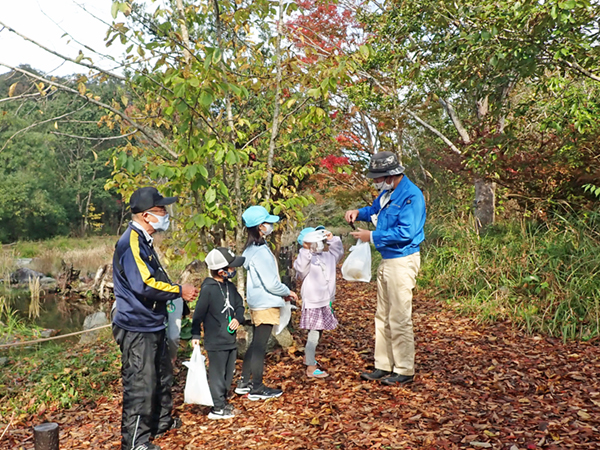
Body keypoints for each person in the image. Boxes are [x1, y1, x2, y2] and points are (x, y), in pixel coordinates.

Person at [112, 186, 199, 450]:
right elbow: (145, 284)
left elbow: (156, 278)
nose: (166, 215)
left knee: (161, 375)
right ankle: (136, 441)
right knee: (140, 382)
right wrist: (178, 290)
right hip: (137, 327)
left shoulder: (145, 241)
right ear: (146, 215)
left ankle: (160, 423)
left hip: (153, 322)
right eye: (161, 210)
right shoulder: (131, 243)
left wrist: (177, 301)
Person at [345, 152, 426, 386]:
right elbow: (374, 212)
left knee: (399, 317)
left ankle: (404, 369)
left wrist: (371, 236)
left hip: (402, 260)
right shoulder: (386, 193)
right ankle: (383, 365)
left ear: (391, 175)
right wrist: (358, 213)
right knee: (382, 316)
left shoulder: (411, 196)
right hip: (387, 260)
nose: (375, 182)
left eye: (377, 178)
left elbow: (406, 232)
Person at [235, 205, 299, 400]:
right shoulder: (261, 252)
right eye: (267, 223)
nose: (271, 225)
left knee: (256, 344)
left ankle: (244, 383)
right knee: (259, 346)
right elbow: (271, 283)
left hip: (258, 302)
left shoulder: (252, 249)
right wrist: (288, 292)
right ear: (260, 227)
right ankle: (257, 388)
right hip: (265, 303)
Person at [191, 247, 246, 420]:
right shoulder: (208, 289)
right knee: (217, 374)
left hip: (230, 340)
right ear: (221, 271)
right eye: (231, 268)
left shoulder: (229, 287)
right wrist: (195, 335)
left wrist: (239, 318)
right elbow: (198, 314)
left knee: (229, 373)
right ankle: (217, 408)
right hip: (215, 341)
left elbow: (239, 305)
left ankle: (223, 401)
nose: (234, 271)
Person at [293, 227, 344, 378]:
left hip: (325, 301)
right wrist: (306, 249)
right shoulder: (306, 259)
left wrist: (331, 238)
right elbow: (300, 269)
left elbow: (338, 251)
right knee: (313, 335)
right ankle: (310, 367)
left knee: (318, 332)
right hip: (313, 302)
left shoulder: (328, 256)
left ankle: (310, 358)